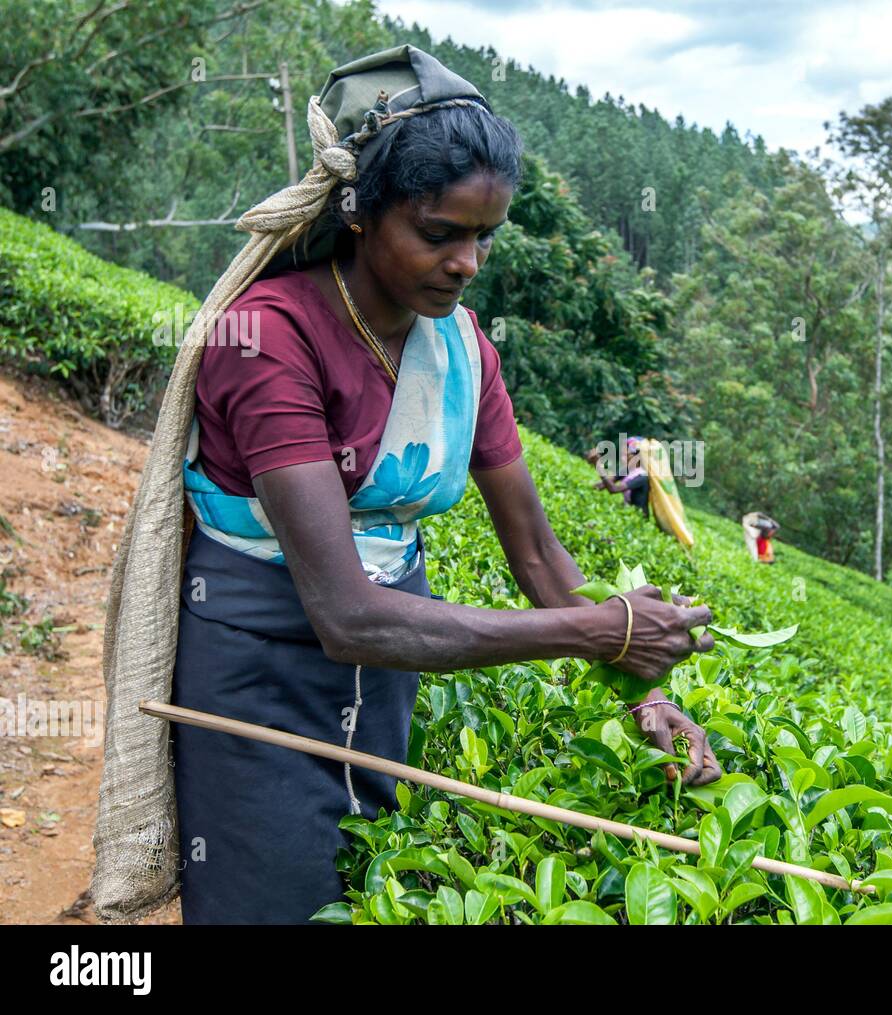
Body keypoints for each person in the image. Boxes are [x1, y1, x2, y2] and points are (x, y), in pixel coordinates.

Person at [96, 46, 720, 926]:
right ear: (359, 214)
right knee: (266, 903)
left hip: (391, 675)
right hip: (259, 680)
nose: (468, 262)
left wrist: (647, 689)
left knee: (361, 893)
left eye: (484, 236)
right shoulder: (270, 338)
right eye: (440, 233)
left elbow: (537, 551)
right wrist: (600, 632)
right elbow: (345, 613)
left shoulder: (463, 350)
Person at [587, 436, 650, 516]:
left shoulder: (642, 476)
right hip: (627, 512)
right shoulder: (627, 470)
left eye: (628, 454)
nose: (624, 456)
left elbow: (613, 489)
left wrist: (598, 465)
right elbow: (603, 485)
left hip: (638, 518)